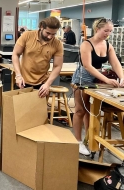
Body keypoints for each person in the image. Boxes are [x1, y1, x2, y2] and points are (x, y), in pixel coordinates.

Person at [71, 18, 124, 156]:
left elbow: (115, 64)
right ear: (97, 29)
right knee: (80, 111)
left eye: (110, 31)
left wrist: (122, 77)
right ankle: (77, 141)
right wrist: (106, 79)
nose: (108, 33)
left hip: (98, 79)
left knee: (92, 111)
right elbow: (88, 66)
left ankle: (90, 139)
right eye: (105, 30)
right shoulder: (86, 44)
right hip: (83, 78)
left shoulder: (108, 45)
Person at [12, 16, 63, 97]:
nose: (50, 37)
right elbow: (15, 54)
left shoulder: (57, 44)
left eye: (53, 34)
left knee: (38, 109)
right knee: (20, 108)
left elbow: (57, 66)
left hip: (42, 83)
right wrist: (18, 75)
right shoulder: (27, 35)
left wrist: (48, 84)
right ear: (41, 27)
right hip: (23, 80)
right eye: (48, 33)